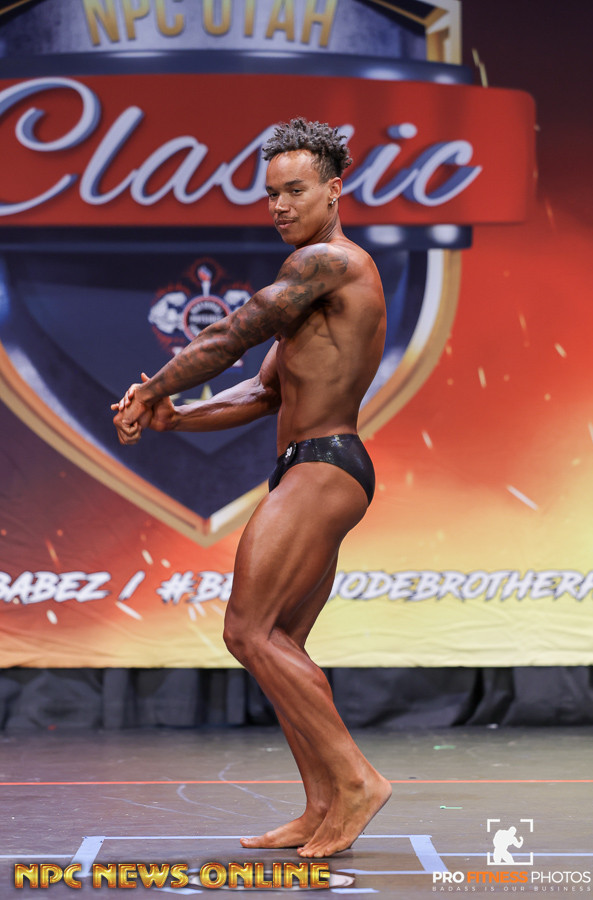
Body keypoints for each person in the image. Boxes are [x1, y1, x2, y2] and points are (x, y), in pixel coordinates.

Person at [112, 117, 390, 858]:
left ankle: (357, 782)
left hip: (323, 465)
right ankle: (322, 804)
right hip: (314, 464)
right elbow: (262, 392)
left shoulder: (329, 263)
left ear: (334, 190)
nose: (280, 206)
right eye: (271, 194)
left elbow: (229, 334)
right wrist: (175, 417)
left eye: (295, 190)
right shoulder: (313, 286)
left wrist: (153, 387)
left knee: (247, 630)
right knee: (279, 642)